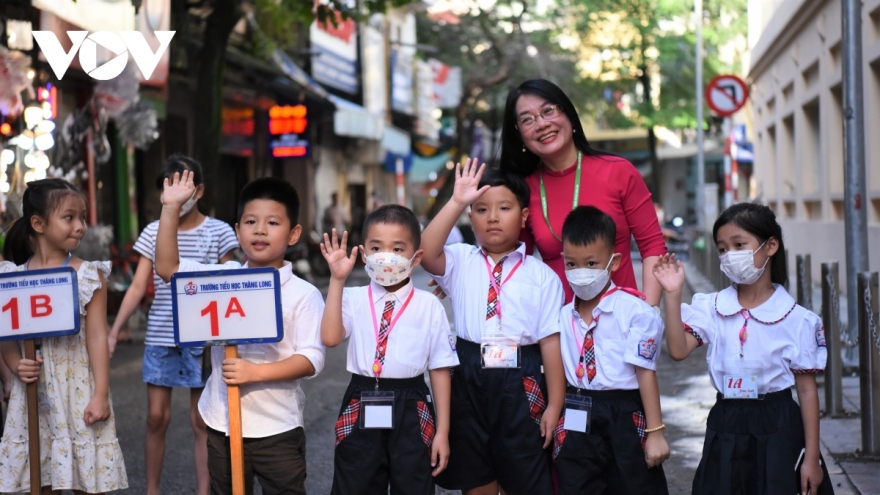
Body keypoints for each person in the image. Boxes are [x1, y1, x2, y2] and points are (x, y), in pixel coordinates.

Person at [154, 172, 325, 495]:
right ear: (237, 231)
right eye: (250, 222)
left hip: (278, 427)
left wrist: (255, 372)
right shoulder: (219, 279)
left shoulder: (304, 294)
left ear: (293, 233)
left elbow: (311, 359)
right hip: (222, 423)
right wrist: (171, 208)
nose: (260, 230)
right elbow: (167, 268)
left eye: (273, 223)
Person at [653, 203, 834, 495]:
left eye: (739, 245)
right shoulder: (713, 307)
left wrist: (811, 459)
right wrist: (672, 296)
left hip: (778, 426)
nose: (729, 256)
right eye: (723, 249)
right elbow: (678, 350)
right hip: (727, 421)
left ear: (770, 246)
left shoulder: (798, 320)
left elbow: (807, 391)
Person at [420, 161, 565, 495]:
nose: (493, 217)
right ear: (471, 218)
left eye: (504, 208)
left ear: (524, 216)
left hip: (522, 377)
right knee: (475, 472)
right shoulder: (459, 260)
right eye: (481, 209)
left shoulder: (541, 276)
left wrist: (555, 405)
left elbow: (550, 345)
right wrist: (457, 201)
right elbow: (425, 252)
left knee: (525, 472)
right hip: (467, 375)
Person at [107, 154, 237, 495]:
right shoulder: (153, 231)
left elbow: (234, 280)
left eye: (185, 187)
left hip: (204, 339)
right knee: (155, 417)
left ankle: (203, 490)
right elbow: (138, 285)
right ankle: (152, 490)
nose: (178, 195)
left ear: (200, 191)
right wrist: (113, 331)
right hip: (161, 335)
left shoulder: (219, 231)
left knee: (201, 420)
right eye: (170, 188)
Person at [0, 178, 128, 493]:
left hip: (79, 386)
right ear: (38, 223)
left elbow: (97, 336)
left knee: (88, 478)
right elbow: (6, 334)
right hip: (33, 388)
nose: (80, 226)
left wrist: (100, 393)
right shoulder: (11, 277)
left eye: (82, 217)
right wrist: (16, 364)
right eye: (69, 217)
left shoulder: (88, 275)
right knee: (40, 477)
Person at [320, 205, 458, 494]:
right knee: (354, 483)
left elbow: (440, 369)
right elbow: (331, 337)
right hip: (361, 398)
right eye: (376, 247)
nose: (386, 256)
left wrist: (442, 431)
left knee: (414, 485)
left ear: (416, 257)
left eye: (397, 248)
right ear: (364, 253)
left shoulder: (429, 305)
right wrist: (337, 279)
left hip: (413, 403)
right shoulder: (352, 297)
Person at [499, 79, 667, 304]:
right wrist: (456, 276)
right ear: (518, 134)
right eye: (527, 119)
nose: (541, 124)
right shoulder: (522, 190)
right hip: (558, 330)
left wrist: (649, 311)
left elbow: (652, 246)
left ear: (568, 113)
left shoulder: (618, 171)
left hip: (622, 326)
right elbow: (514, 262)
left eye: (548, 111)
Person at [553, 206, 669, 494]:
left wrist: (655, 432)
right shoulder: (562, 316)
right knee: (577, 485)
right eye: (572, 264)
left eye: (591, 264)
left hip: (623, 412)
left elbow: (645, 372)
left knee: (635, 484)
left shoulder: (636, 312)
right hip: (578, 407)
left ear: (614, 262)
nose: (581, 273)